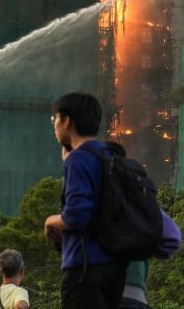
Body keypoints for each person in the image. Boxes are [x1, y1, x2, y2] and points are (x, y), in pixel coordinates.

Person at [44, 92, 127, 309]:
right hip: (114, 269)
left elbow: (78, 214)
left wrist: (50, 221)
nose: (54, 126)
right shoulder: (110, 155)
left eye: (56, 119)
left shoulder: (79, 159)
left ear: (68, 121)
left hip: (84, 269)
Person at [101, 140, 183, 309]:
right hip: (136, 298)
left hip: (100, 294)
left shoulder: (92, 198)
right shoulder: (142, 204)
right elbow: (173, 238)